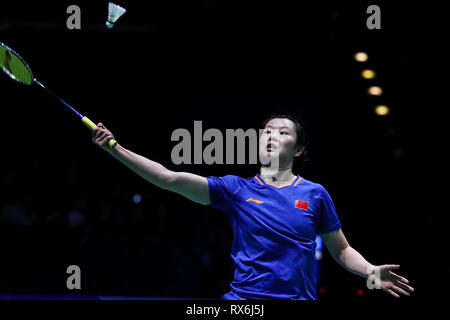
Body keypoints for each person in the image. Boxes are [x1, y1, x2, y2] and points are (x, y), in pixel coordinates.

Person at [91, 114, 414, 300]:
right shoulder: (235, 189)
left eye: (283, 132)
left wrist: (370, 270)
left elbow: (341, 250)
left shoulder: (315, 194)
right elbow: (169, 178)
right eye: (267, 131)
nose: (272, 135)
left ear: (299, 148)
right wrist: (114, 148)